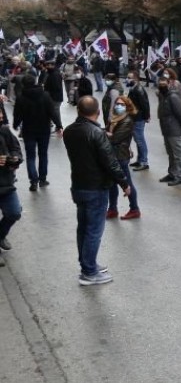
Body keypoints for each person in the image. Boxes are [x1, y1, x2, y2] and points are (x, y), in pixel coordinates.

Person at [63, 96, 131, 286]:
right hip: (96, 188)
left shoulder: (70, 131)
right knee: (93, 231)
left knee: (83, 228)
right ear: (98, 112)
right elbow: (110, 162)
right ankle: (89, 272)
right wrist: (124, 183)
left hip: (79, 185)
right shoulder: (96, 133)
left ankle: (88, 263)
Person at [13, 75, 63, 192]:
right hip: (44, 129)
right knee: (43, 154)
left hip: (28, 130)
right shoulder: (45, 95)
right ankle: (42, 179)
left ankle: (33, 181)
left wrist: (16, 124)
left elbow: (17, 114)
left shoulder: (21, 98)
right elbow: (52, 111)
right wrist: (58, 125)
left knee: (30, 156)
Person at [105, 96, 140, 220]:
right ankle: (112, 209)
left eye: (122, 104)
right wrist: (107, 133)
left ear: (127, 106)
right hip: (113, 155)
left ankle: (134, 209)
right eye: (117, 104)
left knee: (127, 184)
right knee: (111, 184)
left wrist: (104, 133)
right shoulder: (115, 118)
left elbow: (115, 138)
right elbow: (110, 134)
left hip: (121, 156)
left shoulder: (127, 120)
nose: (118, 106)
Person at [0, 108, 23, 267]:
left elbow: (16, 148)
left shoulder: (4, 130)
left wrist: (15, 158)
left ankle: (0, 235)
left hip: (6, 183)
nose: (1, 115)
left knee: (14, 212)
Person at [157, 75, 181, 186]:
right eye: (160, 83)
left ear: (169, 83)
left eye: (164, 83)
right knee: (170, 153)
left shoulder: (173, 97)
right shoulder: (163, 96)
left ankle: (180, 176)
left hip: (173, 129)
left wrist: (180, 128)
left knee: (178, 154)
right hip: (166, 129)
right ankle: (172, 173)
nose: (162, 85)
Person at [126, 70, 151, 171]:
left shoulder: (138, 89)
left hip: (138, 118)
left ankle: (144, 162)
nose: (127, 79)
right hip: (134, 117)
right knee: (137, 140)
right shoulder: (134, 88)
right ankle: (140, 159)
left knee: (140, 140)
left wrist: (146, 116)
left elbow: (145, 104)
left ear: (135, 78)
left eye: (129, 77)